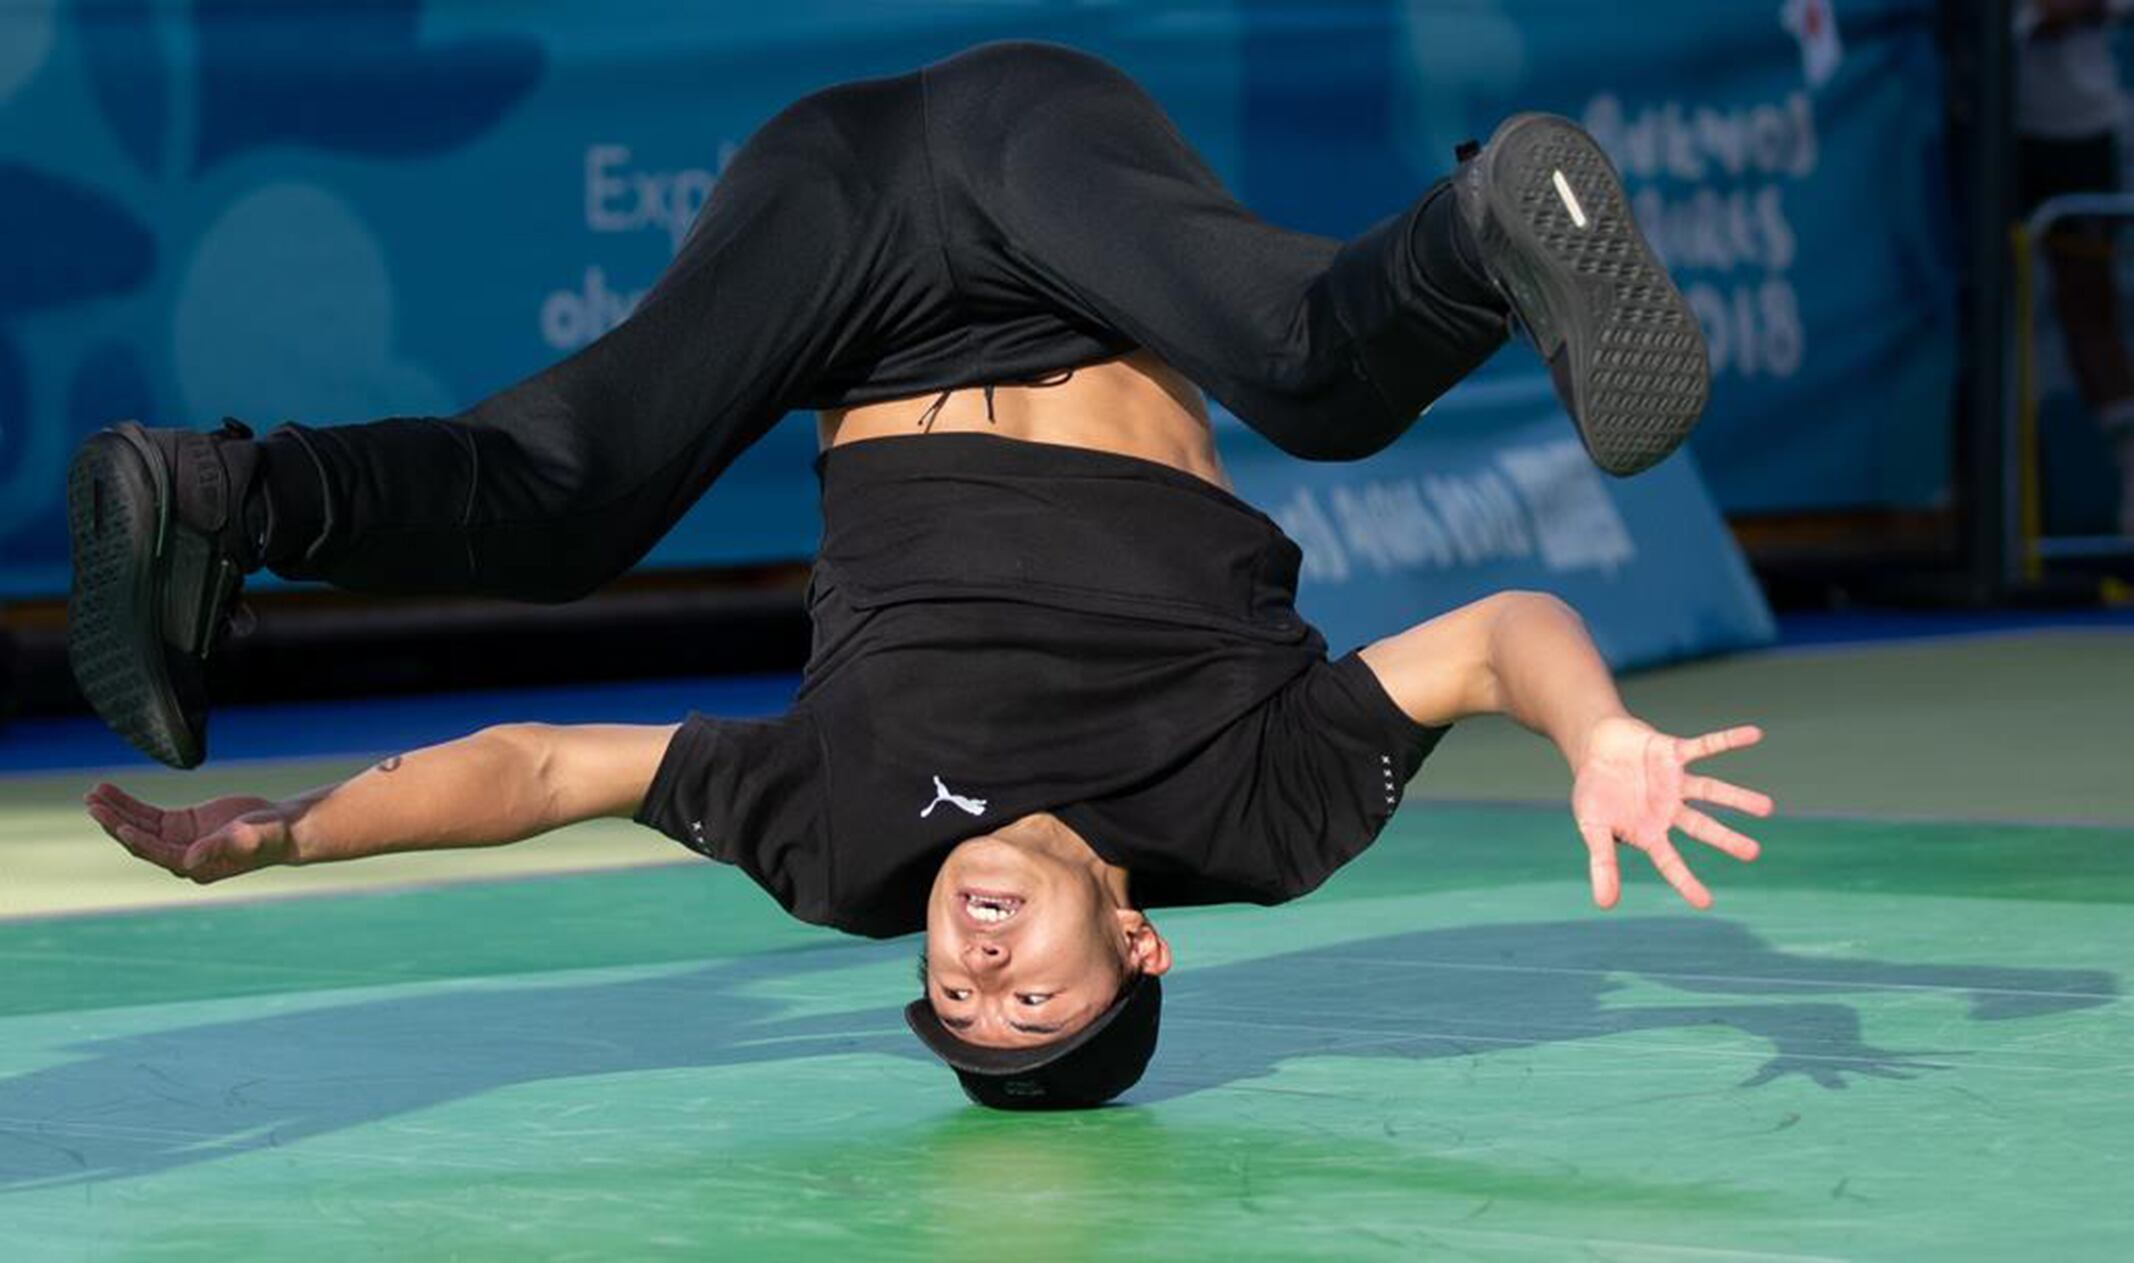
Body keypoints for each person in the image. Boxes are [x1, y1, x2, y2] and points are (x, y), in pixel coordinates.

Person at [69, 42, 1766, 1109]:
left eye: (955, 997)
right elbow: (1494, 635)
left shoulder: (844, 846)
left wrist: (289, 832)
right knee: (1308, 376)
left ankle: (226, 495)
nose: (973, 967)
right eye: (1027, 996)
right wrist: (1593, 733)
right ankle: (1491, 222)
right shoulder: (1263, 821)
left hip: (842, 239)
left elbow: (539, 766)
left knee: (560, 503)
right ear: (1138, 946)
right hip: (1057, 200)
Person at [2016, 0, 2134, 532]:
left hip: (2077, 131)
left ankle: (2131, 475)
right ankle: (1980, 500)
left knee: (2088, 308)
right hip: (1977, 121)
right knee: (1972, 308)